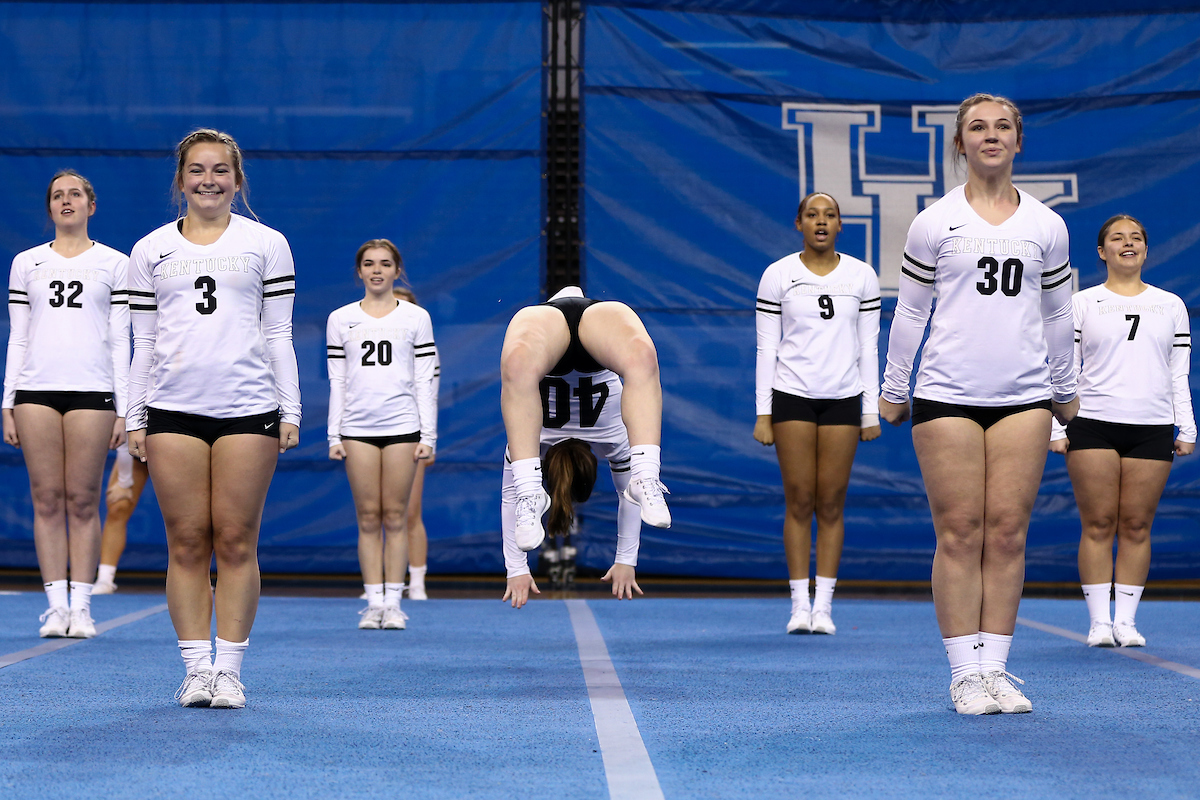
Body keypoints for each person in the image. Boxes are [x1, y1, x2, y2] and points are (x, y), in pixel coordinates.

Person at [879, 94, 1078, 716]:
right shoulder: (933, 222)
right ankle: (964, 674)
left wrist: (1066, 390)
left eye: (1002, 127)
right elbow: (910, 310)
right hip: (946, 395)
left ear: (1020, 141)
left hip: (1024, 396)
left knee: (1009, 533)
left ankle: (995, 671)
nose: (990, 136)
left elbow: (1059, 314)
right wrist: (892, 387)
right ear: (959, 144)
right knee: (961, 532)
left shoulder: (1047, 225)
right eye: (976, 128)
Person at [126, 129, 300, 709]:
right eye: (197, 170)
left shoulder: (268, 243)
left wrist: (289, 409)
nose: (208, 180)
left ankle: (230, 669)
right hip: (172, 409)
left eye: (220, 170)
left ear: (237, 179)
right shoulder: (150, 250)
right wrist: (135, 415)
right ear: (180, 179)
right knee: (186, 539)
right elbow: (142, 341)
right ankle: (195, 669)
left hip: (247, 409)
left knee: (235, 538)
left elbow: (278, 334)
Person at [1048, 215, 1194, 648]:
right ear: (1102, 252)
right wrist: (1058, 426)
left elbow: (1177, 373)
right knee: (1098, 522)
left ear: (1146, 250)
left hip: (1151, 427)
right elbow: (1063, 370)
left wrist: (1186, 426)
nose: (1127, 244)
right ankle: (1098, 622)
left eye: (1136, 238)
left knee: (1136, 524)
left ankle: (1126, 621)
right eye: (1117, 238)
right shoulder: (1082, 303)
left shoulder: (1170, 305)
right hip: (1092, 423)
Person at [3, 170, 129, 639]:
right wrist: (7, 401)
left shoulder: (115, 264)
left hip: (92, 392)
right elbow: (19, 336)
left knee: (82, 498)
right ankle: (56, 605)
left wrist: (124, 407)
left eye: (75, 194)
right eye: (58, 195)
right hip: (35, 391)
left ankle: (83, 605)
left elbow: (122, 339)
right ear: (50, 208)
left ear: (91, 206)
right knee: (47, 497)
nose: (67, 201)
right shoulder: (26, 263)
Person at [754, 192, 881, 635]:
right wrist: (763, 413)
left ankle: (824, 606)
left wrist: (870, 412)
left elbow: (869, 346)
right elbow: (767, 347)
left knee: (830, 500)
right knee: (799, 497)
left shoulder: (862, 276)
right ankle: (798, 604)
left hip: (844, 398)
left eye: (829, 215)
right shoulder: (779, 275)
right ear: (799, 223)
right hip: (792, 394)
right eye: (812, 215)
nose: (821, 222)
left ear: (840, 225)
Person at [499, 286, 668, 608]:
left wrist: (516, 568)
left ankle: (530, 491)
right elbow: (628, 496)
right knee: (642, 359)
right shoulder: (612, 438)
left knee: (519, 366)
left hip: (551, 329)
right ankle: (646, 473)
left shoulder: (531, 443)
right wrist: (625, 560)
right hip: (591, 330)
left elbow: (510, 501)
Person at [327, 241, 435, 630]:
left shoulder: (416, 318)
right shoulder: (340, 319)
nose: (377, 270)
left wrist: (429, 435)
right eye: (369, 264)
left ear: (397, 270)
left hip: (403, 427)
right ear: (359, 271)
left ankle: (394, 603)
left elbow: (426, 380)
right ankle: (373, 602)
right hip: (357, 428)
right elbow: (337, 380)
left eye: (385, 264)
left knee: (396, 515)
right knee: (368, 516)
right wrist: (333, 435)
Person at [393, 285, 438, 601]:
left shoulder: (425, 347)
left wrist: (428, 438)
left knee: (409, 512)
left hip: (412, 434)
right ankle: (382, 583)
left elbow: (430, 394)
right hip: (373, 431)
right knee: (379, 513)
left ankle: (418, 580)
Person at [92, 447, 151, 594]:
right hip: (139, 442)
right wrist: (124, 481)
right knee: (118, 506)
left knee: (188, 517)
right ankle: (105, 579)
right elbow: (127, 435)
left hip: (176, 440)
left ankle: (198, 578)